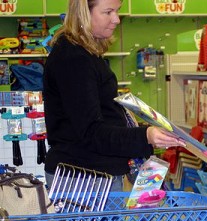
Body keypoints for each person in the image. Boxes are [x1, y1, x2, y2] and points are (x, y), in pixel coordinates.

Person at [43, 0, 184, 191]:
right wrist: (145, 136)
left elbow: (104, 118)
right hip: (83, 181)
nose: (116, 20)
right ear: (83, 13)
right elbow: (91, 132)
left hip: (93, 176)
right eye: (108, 12)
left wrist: (144, 130)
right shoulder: (74, 59)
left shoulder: (86, 54)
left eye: (117, 11)